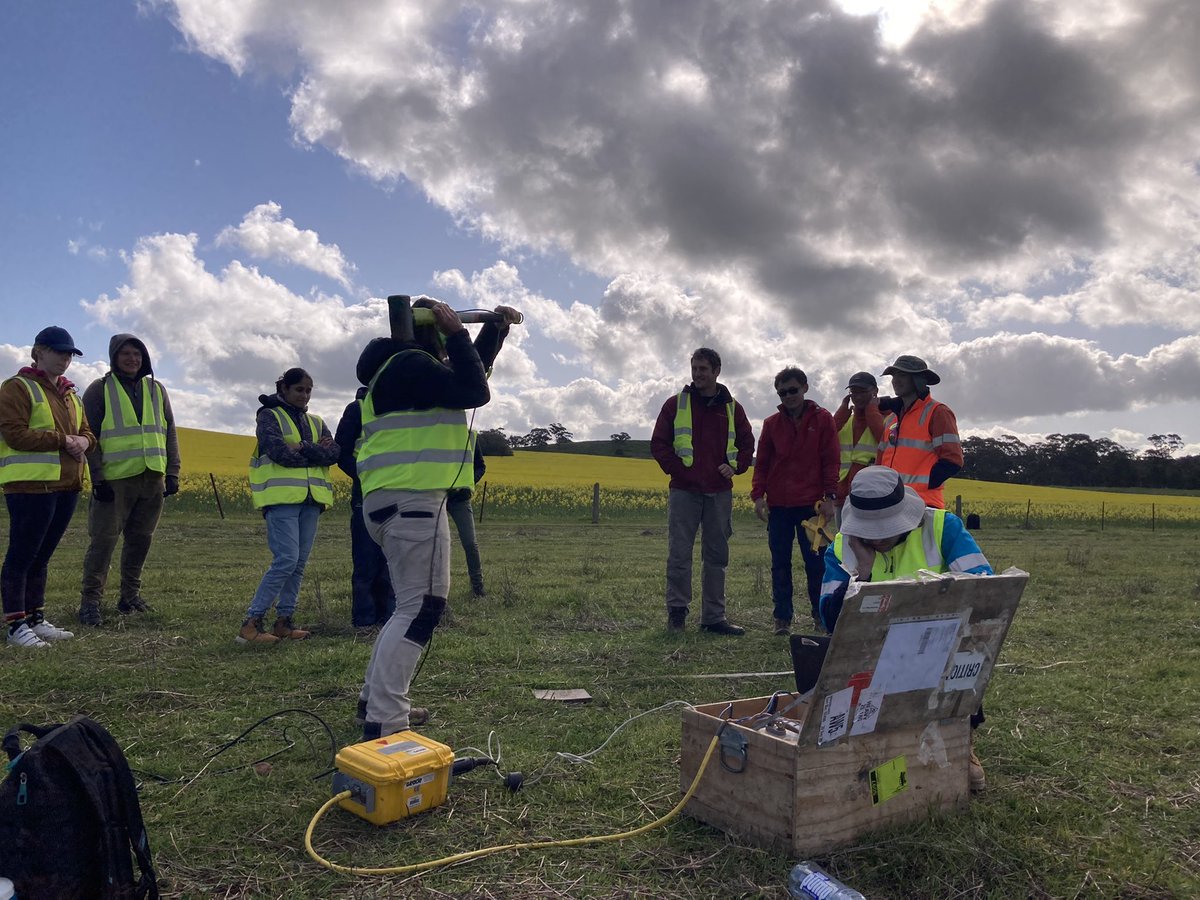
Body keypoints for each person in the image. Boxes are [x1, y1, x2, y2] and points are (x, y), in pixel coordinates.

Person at [355, 300, 518, 739]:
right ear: (433, 334)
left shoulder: (397, 369)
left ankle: (375, 701)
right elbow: (474, 391)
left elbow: (468, 375)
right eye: (443, 341)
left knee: (407, 608)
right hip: (413, 502)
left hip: (396, 501)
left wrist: (494, 331)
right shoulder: (411, 364)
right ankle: (386, 718)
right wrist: (459, 334)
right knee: (420, 610)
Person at [819, 465, 992, 790]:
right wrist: (863, 573)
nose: (878, 536)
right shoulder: (842, 547)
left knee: (969, 652)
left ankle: (960, 738)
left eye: (886, 526)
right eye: (870, 529)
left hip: (940, 646)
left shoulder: (942, 527)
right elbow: (829, 618)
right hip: (872, 656)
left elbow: (985, 588)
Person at [0, 326, 96, 648]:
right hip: (30, 485)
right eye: (58, 351)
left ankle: (35, 618)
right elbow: (14, 434)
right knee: (21, 556)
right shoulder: (17, 387)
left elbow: (87, 433)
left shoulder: (71, 395)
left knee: (42, 557)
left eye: (69, 354)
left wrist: (85, 441)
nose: (65, 359)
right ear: (38, 351)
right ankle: (15, 625)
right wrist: (63, 440)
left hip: (66, 485)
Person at [77, 334, 181, 627]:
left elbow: (170, 430)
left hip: (152, 478)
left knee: (140, 541)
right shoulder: (99, 390)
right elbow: (90, 435)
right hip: (115, 481)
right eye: (126, 354)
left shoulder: (156, 389)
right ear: (114, 357)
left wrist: (173, 471)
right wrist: (97, 479)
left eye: (137, 354)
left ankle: (130, 597)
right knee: (103, 542)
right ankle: (90, 602)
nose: (133, 359)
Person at [651, 347, 755, 636]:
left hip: (719, 492)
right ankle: (677, 614)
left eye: (703, 369)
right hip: (684, 491)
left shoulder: (733, 408)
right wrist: (681, 471)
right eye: (694, 368)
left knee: (717, 556)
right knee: (679, 554)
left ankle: (713, 618)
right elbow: (659, 444)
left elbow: (747, 444)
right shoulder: (675, 404)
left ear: (717, 371)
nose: (697, 374)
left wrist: (735, 466)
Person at [238, 368, 339, 645]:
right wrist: (315, 451)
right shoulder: (268, 415)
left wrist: (302, 447)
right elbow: (279, 453)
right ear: (284, 388)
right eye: (299, 389)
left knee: (298, 564)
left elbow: (334, 454)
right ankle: (251, 622)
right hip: (281, 499)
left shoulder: (316, 421)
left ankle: (284, 621)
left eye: (308, 390)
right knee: (286, 560)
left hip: (312, 500)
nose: (304, 395)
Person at [750, 366, 839, 636]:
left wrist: (830, 497)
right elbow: (762, 463)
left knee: (817, 565)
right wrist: (758, 496)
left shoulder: (824, 420)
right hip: (779, 506)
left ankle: (821, 617)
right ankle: (782, 619)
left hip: (811, 507)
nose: (788, 396)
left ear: (805, 388)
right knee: (780, 564)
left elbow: (831, 460)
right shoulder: (771, 424)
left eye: (792, 390)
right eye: (782, 392)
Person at [335, 386, 396, 632]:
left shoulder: (399, 408)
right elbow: (342, 453)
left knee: (390, 561)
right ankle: (364, 621)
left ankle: (389, 618)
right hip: (366, 493)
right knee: (366, 561)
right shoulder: (357, 409)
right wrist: (365, 477)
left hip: (395, 492)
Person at [876, 355, 962, 509]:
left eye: (902, 375)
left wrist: (925, 484)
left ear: (918, 380)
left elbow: (952, 460)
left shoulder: (938, 412)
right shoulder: (891, 419)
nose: (895, 380)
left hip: (924, 504)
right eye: (894, 375)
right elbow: (880, 461)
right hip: (891, 503)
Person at [833, 371, 895, 525]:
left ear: (875, 391)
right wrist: (840, 415)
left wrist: (872, 411)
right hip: (842, 497)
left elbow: (885, 441)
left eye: (863, 391)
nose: (858, 396)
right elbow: (825, 439)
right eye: (853, 392)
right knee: (842, 539)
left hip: (871, 496)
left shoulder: (889, 419)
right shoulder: (846, 420)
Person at [446, 438, 487, 597]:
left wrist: (467, 482)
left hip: (461, 499)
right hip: (436, 498)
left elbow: (481, 466)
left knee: (470, 543)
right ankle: (434, 590)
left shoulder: (471, 437)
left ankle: (478, 587)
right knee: (436, 544)